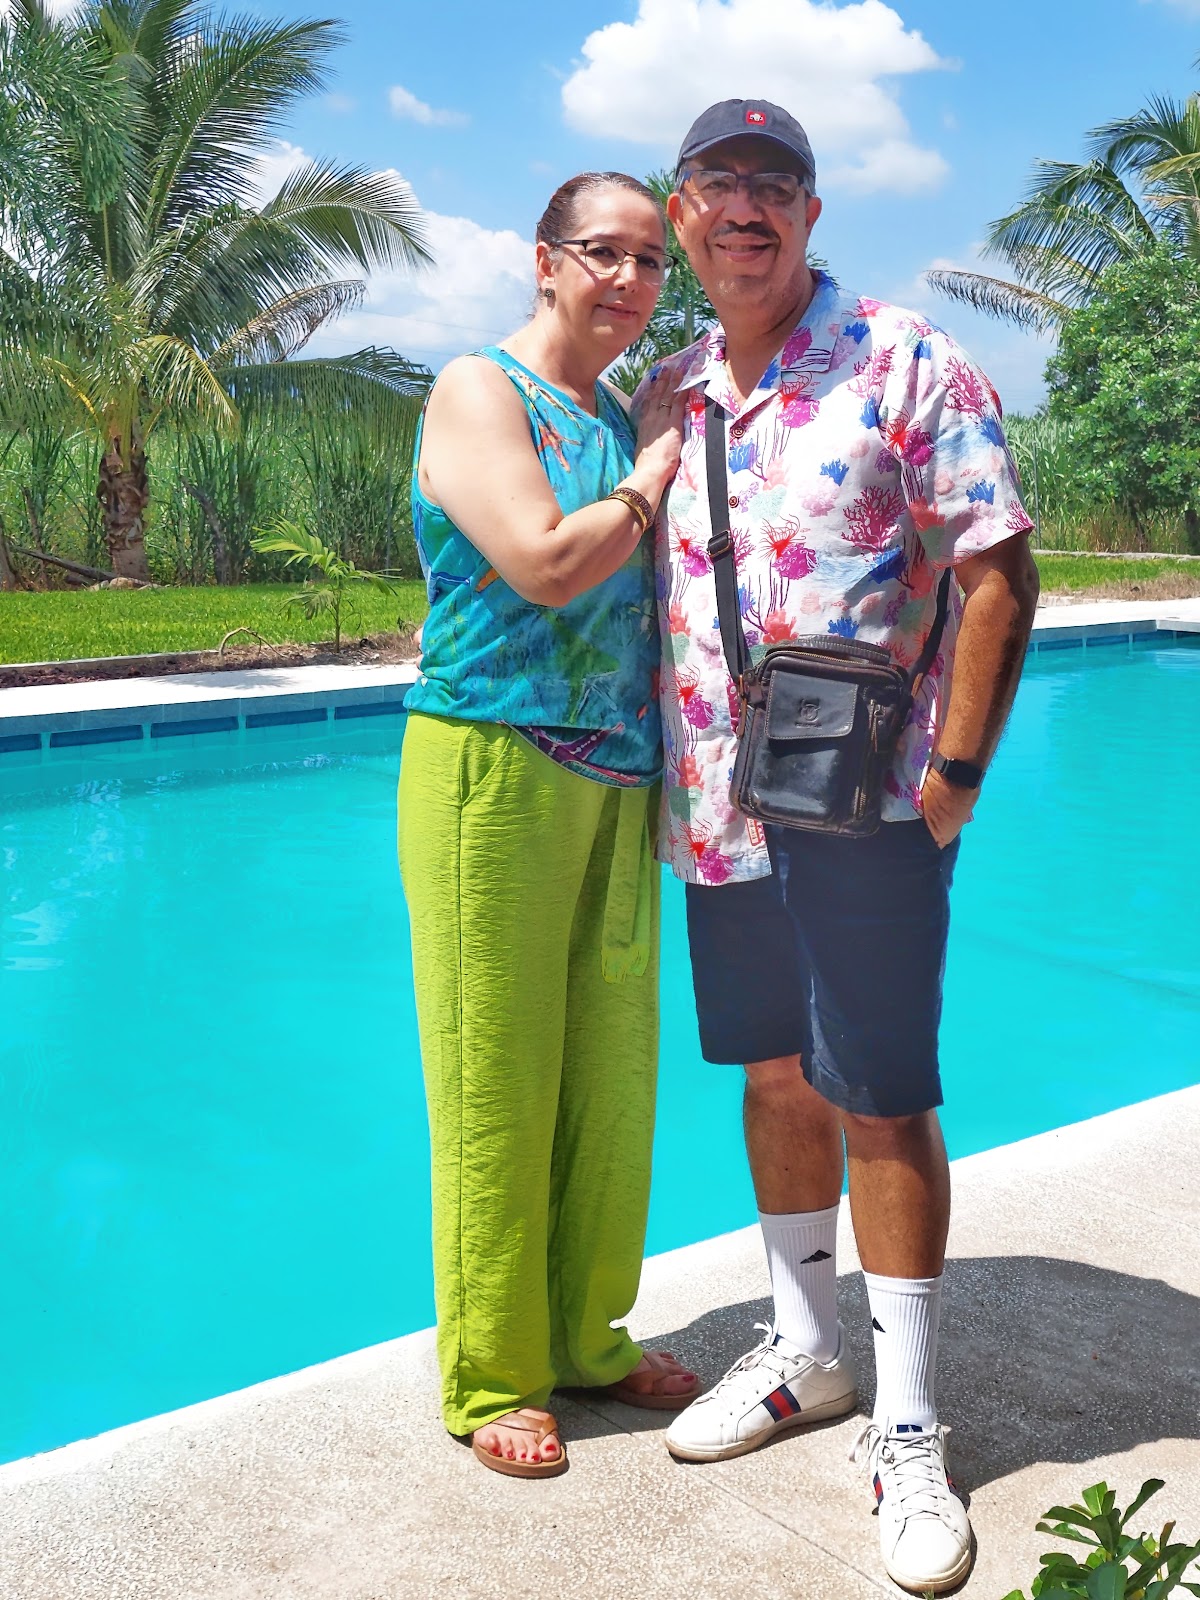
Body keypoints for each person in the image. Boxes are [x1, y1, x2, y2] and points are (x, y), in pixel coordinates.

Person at [636, 103, 1040, 1592]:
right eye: (718, 184)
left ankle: (911, 1421)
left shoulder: (905, 358)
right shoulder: (670, 388)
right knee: (772, 1074)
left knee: (880, 1094)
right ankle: (809, 1350)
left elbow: (999, 574)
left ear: (811, 213)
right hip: (720, 804)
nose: (745, 207)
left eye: (775, 184)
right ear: (683, 214)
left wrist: (953, 779)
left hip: (870, 804)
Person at [397, 171, 699, 1480]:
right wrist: (653, 477)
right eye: (604, 253)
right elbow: (542, 560)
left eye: (650, 262)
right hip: (493, 764)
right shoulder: (483, 391)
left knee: (610, 1079)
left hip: (619, 778)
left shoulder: (619, 412)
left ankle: (585, 1336)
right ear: (545, 259)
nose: (629, 280)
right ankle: (495, 1374)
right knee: (497, 1078)